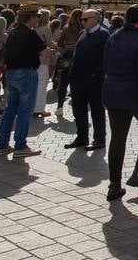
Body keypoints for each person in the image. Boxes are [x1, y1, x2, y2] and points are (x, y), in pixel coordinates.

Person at [102, 4, 138, 200]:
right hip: (135, 95)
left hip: (113, 92)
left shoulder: (114, 37)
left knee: (117, 138)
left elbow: (106, 63)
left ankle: (114, 184)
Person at [0, 4, 47, 156]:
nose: (38, 19)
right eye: (37, 17)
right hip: (26, 73)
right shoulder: (30, 33)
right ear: (31, 18)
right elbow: (44, 51)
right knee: (25, 110)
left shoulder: (12, 32)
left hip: (11, 73)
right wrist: (45, 53)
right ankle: (20, 146)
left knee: (10, 109)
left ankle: (2, 144)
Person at [66, 10, 109, 152]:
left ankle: (99, 139)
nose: (82, 22)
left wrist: (97, 74)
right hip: (78, 79)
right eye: (82, 19)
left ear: (96, 19)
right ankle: (82, 137)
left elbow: (105, 57)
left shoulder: (104, 34)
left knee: (97, 109)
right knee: (78, 109)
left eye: (85, 19)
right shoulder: (82, 33)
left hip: (94, 80)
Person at [54, 8, 83, 120]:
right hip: (79, 58)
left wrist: (65, 48)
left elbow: (60, 44)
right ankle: (77, 109)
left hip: (67, 57)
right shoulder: (85, 30)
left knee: (63, 84)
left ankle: (60, 107)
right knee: (77, 85)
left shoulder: (66, 29)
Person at [33, 10, 56, 119]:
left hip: (33, 59)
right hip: (43, 59)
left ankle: (32, 106)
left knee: (34, 83)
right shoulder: (45, 29)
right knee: (42, 83)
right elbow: (50, 43)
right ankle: (39, 108)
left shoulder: (34, 28)